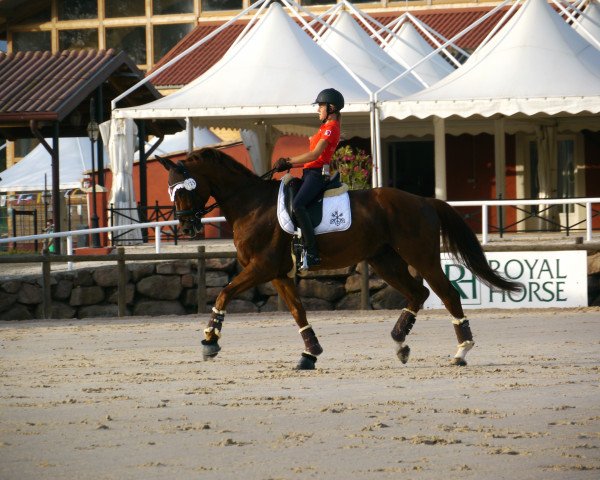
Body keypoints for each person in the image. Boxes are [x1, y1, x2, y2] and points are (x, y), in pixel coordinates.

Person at [274, 88, 344, 269]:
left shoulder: (331, 128)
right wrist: (290, 164)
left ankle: (312, 252)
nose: (318, 110)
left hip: (317, 174)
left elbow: (314, 155)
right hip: (309, 173)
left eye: (321, 106)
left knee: (298, 204)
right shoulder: (324, 127)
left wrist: (289, 161)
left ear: (332, 108)